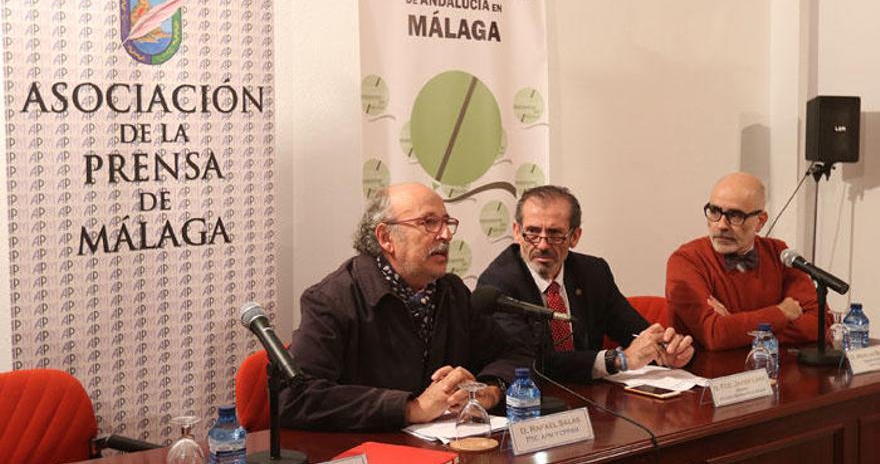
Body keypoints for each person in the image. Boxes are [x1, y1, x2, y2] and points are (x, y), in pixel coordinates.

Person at [280, 182, 529, 431]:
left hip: (445, 448)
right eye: (429, 223)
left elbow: (513, 354)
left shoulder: (452, 291)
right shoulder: (333, 299)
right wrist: (410, 408)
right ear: (386, 237)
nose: (446, 235)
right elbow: (297, 398)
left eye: (446, 222)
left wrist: (490, 389)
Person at [478, 185, 693, 383]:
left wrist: (666, 350)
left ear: (575, 236)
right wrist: (618, 360)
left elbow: (634, 333)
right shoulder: (498, 284)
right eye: (532, 232)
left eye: (555, 234)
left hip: (592, 400)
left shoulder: (593, 272)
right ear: (517, 232)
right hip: (534, 402)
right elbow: (532, 363)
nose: (542, 245)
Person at [666, 172, 825, 351]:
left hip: (773, 372)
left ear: (760, 221)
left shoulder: (778, 253)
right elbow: (715, 335)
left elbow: (820, 324)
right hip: (708, 375)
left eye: (735, 216)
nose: (721, 225)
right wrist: (781, 313)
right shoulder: (686, 261)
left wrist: (735, 326)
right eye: (715, 211)